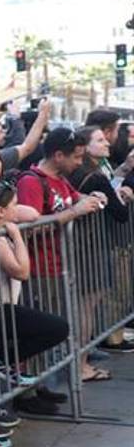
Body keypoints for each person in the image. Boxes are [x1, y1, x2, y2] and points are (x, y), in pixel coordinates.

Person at [0, 182, 70, 447]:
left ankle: (0, 361)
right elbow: (21, 271)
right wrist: (18, 237)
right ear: (0, 210)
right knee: (55, 328)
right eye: (11, 205)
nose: (17, 208)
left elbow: (31, 213)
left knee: (55, 328)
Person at [13, 127, 106, 411]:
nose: (80, 163)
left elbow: (74, 197)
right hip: (38, 269)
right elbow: (29, 228)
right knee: (35, 332)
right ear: (57, 155)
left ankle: (38, 385)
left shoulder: (60, 180)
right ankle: (25, 393)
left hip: (57, 267)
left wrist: (92, 197)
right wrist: (72, 213)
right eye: (76, 158)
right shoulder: (31, 182)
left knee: (49, 330)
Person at [68, 125, 134, 361]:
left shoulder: (86, 171)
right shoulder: (93, 175)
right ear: (84, 148)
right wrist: (124, 192)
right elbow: (119, 212)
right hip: (90, 247)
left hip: (83, 245)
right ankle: (82, 362)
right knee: (87, 304)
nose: (107, 142)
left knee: (85, 304)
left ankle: (84, 355)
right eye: (99, 139)